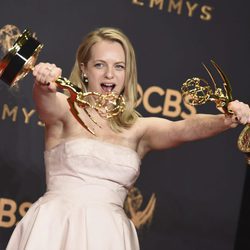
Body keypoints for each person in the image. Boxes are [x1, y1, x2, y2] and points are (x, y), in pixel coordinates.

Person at [6, 27, 250, 250]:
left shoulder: (138, 129)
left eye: (119, 66)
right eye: (100, 64)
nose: (110, 74)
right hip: (55, 228)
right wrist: (44, 83)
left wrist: (226, 119)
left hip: (110, 236)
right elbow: (46, 102)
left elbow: (183, 128)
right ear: (84, 69)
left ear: (127, 72)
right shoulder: (65, 110)